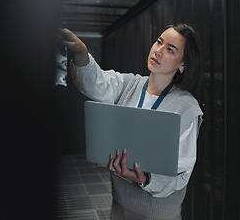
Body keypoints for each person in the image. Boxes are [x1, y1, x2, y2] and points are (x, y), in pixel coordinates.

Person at [57, 24, 203, 220]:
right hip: (119, 204)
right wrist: (82, 53)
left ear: (183, 64)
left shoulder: (187, 108)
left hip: (158, 214)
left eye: (170, 49)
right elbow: (96, 83)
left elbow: (182, 173)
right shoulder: (129, 84)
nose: (158, 51)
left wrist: (143, 179)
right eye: (159, 42)